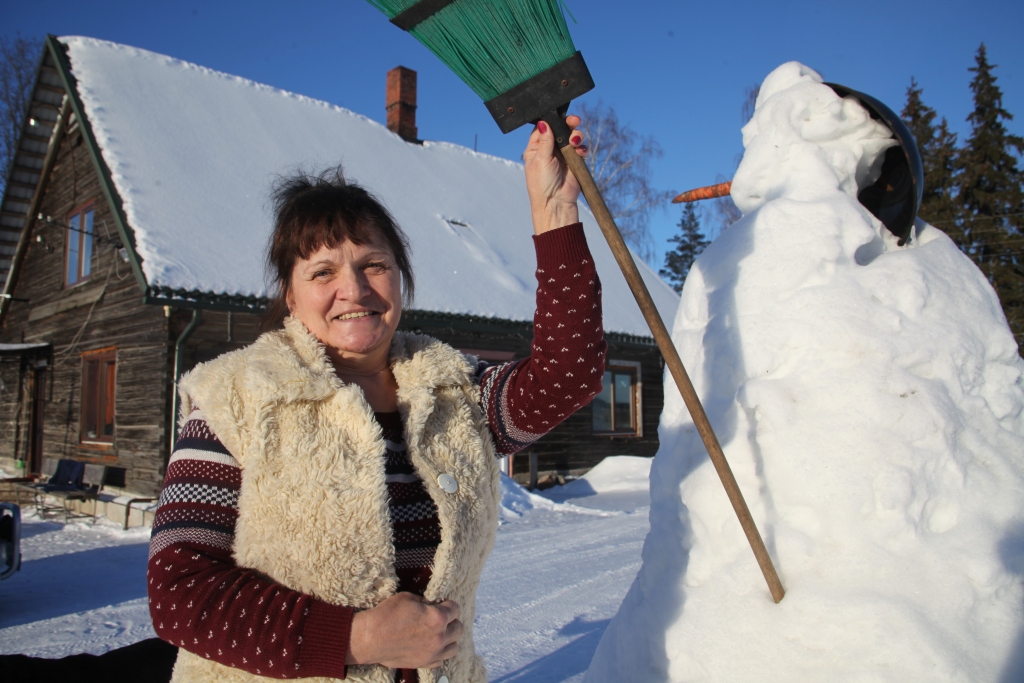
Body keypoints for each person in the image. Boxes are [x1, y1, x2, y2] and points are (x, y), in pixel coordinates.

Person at [147, 117, 606, 683]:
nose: (355, 289)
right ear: (290, 295)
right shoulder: (235, 400)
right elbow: (179, 591)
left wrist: (554, 211)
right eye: (323, 272)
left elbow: (568, 376)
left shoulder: (453, 391)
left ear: (400, 279)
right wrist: (357, 638)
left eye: (374, 265)